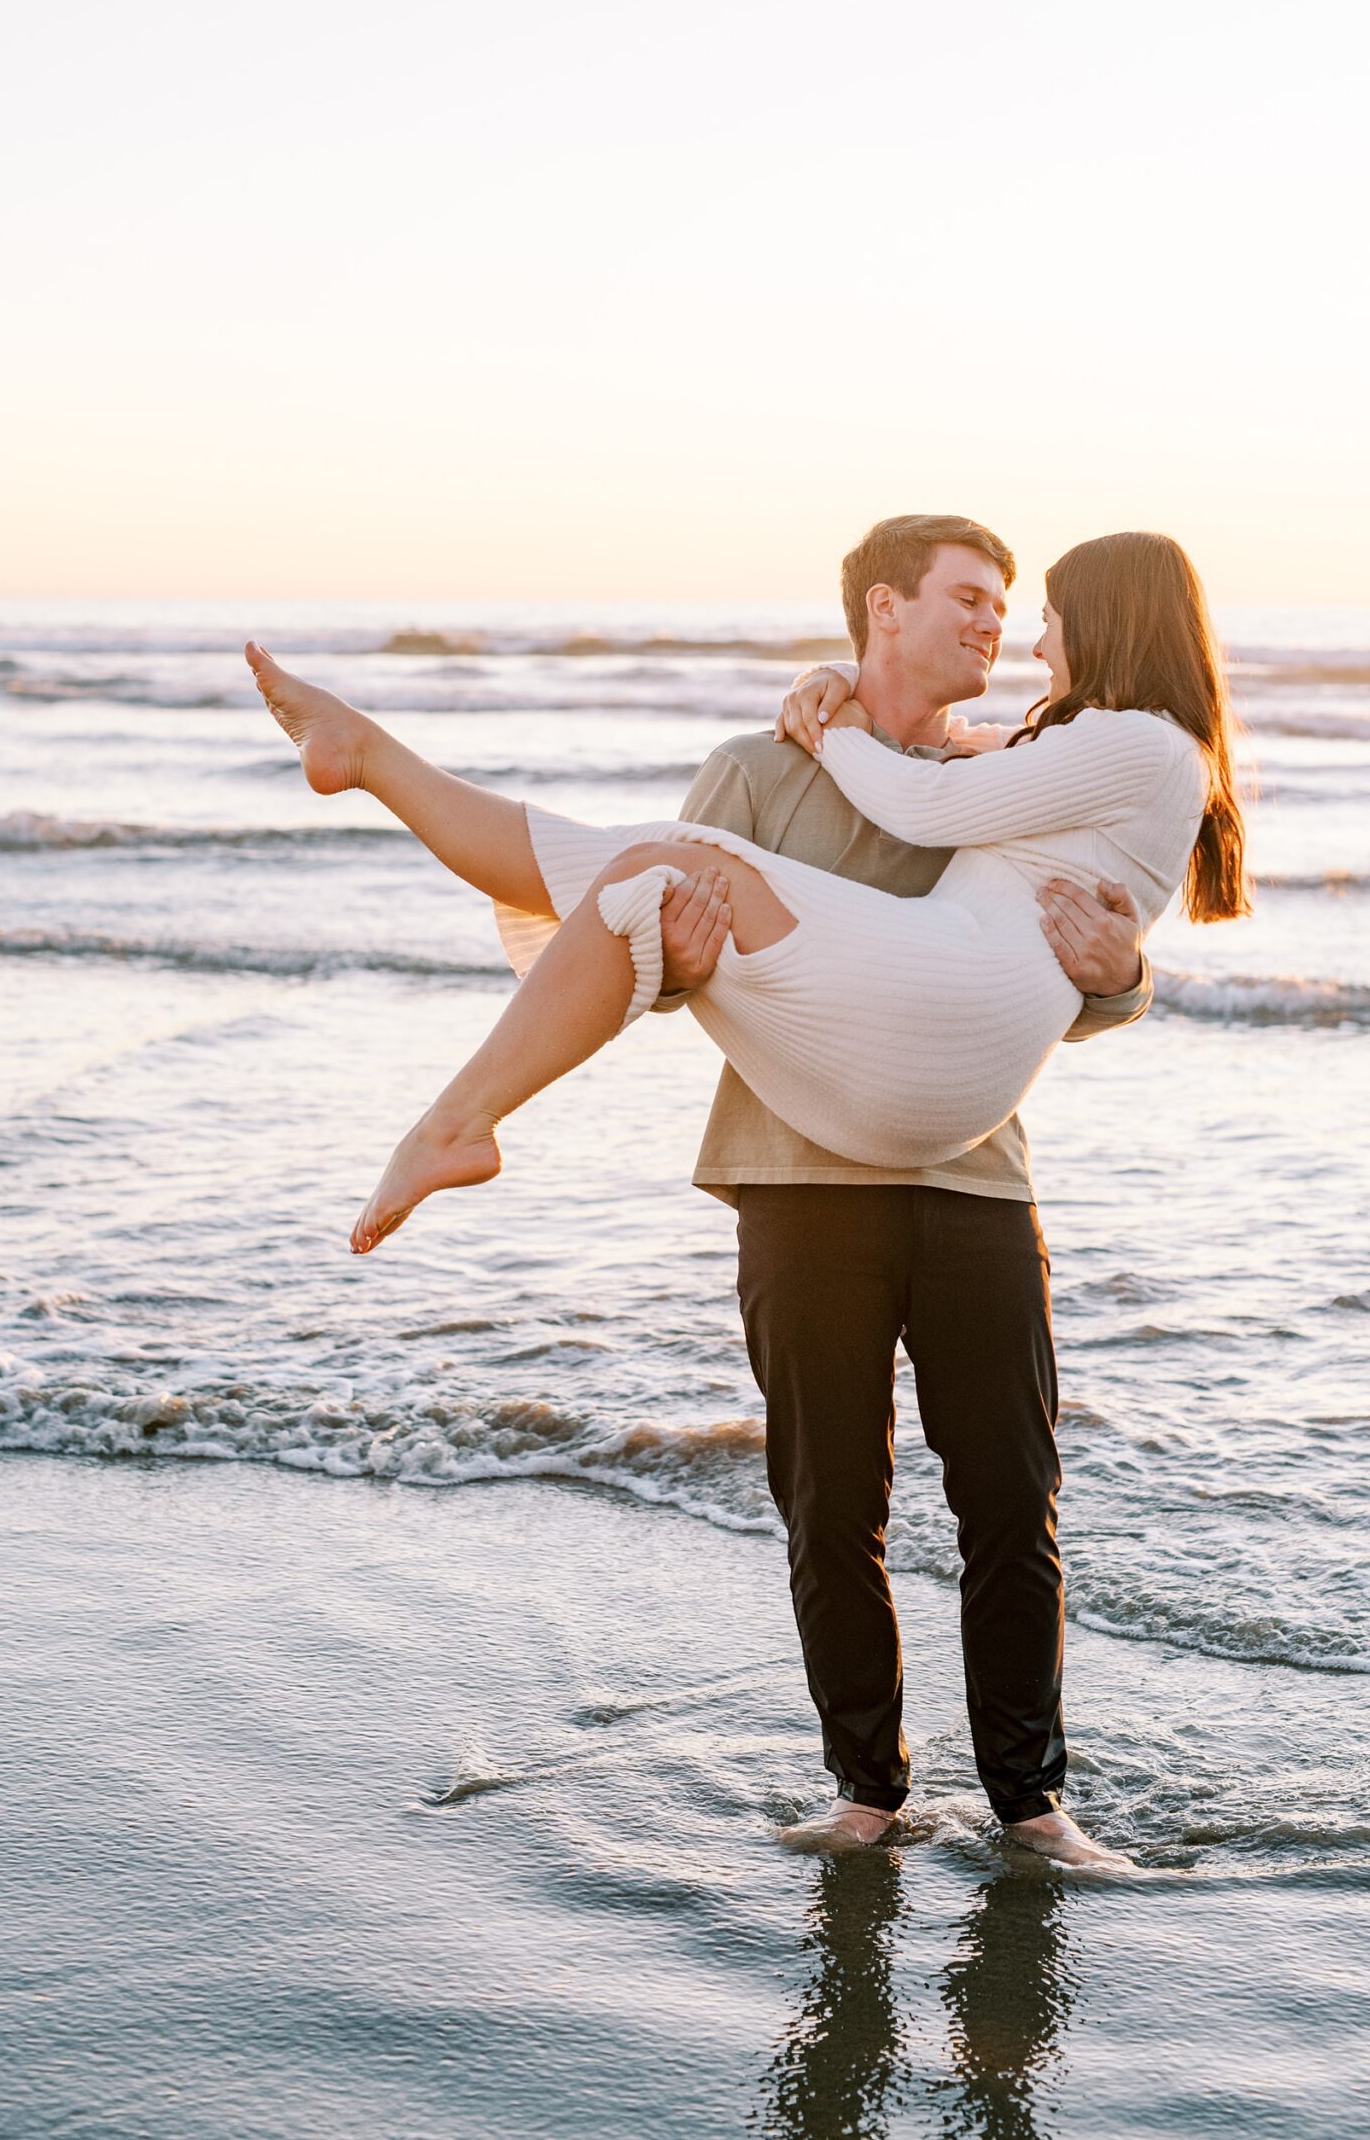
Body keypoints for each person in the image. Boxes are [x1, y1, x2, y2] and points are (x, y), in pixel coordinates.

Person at [244, 524, 1247, 1864]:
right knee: (829, 1504)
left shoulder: (1001, 765)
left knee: (1012, 1499)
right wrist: (679, 944)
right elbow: (643, 961)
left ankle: (1033, 1800)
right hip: (798, 1173)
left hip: (971, 1176)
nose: (1001, 629)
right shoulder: (759, 767)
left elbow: (1051, 963)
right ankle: (866, 1789)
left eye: (1015, 607)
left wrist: (1125, 976)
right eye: (971, 599)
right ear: (883, 608)